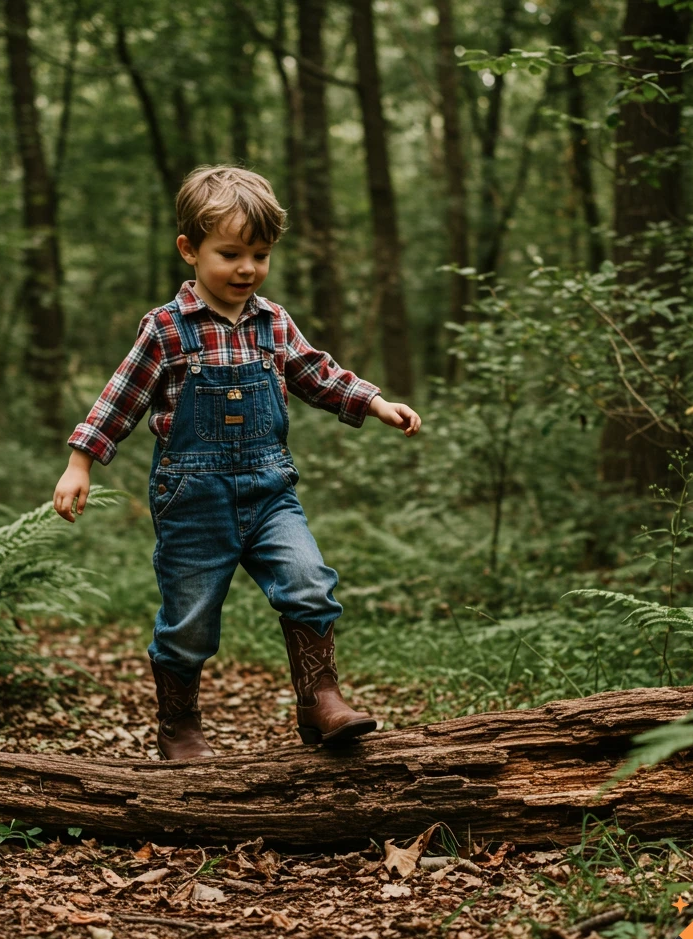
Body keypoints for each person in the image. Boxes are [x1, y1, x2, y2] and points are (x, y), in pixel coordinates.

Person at [53, 165, 421, 761]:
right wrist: (80, 463)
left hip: (269, 490)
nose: (246, 269)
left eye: (260, 254)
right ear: (189, 251)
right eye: (229, 254)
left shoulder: (273, 322)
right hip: (191, 500)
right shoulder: (166, 330)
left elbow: (317, 374)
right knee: (190, 621)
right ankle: (179, 726)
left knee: (308, 582)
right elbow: (119, 397)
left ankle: (321, 701)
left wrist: (375, 402)